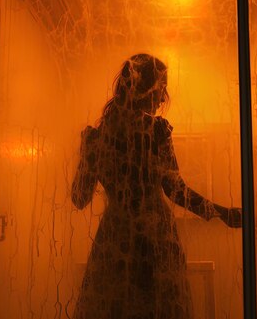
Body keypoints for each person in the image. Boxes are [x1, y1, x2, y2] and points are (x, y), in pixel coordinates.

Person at [71, 53, 242, 319]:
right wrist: (222, 213)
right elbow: (175, 190)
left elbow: (79, 198)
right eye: (162, 89)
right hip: (155, 236)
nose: (163, 98)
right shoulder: (156, 131)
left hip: (116, 238)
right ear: (145, 89)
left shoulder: (97, 138)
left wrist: (87, 154)